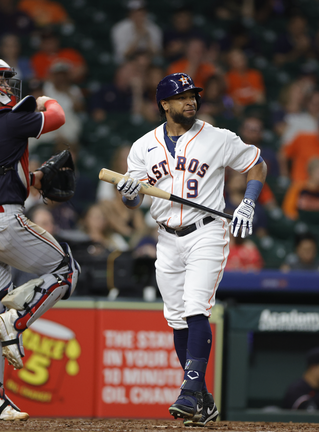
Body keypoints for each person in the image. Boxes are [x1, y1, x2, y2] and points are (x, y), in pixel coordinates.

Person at [115, 72, 267, 426]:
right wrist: (128, 192)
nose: (191, 101)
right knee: (177, 319)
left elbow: (256, 163)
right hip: (166, 237)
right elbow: (131, 202)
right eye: (182, 96)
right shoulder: (143, 146)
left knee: (197, 308)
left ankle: (188, 390)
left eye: (193, 95)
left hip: (207, 232)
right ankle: (203, 399)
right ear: (164, 104)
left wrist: (248, 201)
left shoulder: (216, 137)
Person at [0, 58, 81, 421]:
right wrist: (46, 101)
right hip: (2, 223)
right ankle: (19, 320)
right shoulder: (8, 119)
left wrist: (36, 177)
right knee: (67, 269)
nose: (9, 85)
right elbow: (58, 119)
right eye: (1, 78)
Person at [111, 0, 163, 64]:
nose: (138, 15)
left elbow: (157, 55)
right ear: (129, 13)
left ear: (145, 12)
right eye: (134, 12)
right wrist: (138, 37)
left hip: (149, 64)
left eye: (140, 11)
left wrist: (147, 38)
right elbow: (123, 55)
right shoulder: (120, 28)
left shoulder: (153, 28)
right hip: (126, 63)